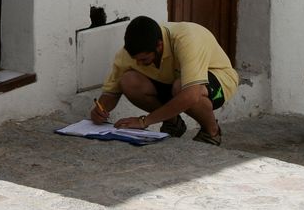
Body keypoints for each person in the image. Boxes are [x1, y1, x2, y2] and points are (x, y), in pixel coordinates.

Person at [90, 16, 238, 146]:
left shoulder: (187, 38)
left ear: (159, 46)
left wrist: (144, 121)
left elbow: (191, 95)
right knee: (129, 81)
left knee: (181, 87)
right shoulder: (127, 54)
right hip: (174, 83)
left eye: (144, 59)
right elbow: (111, 93)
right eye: (136, 60)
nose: (139, 64)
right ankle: (173, 123)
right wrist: (100, 110)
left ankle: (211, 132)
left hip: (219, 80)